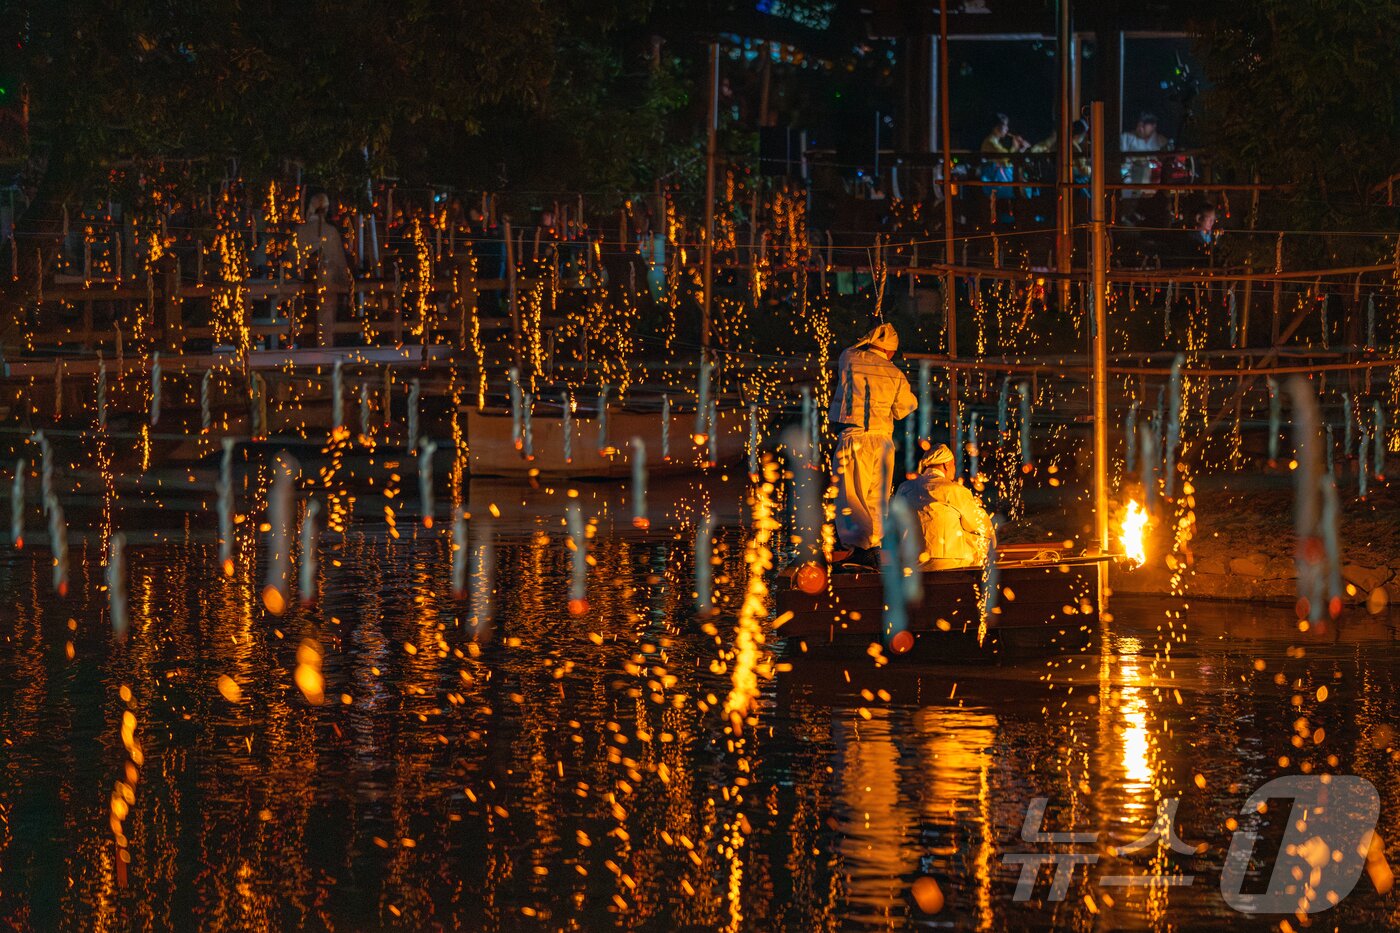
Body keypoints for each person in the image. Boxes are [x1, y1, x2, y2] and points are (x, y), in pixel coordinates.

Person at [829, 323, 918, 568]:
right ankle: (874, 548)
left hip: (855, 437)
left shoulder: (850, 357)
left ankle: (860, 549)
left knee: (851, 494)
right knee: (876, 498)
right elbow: (905, 408)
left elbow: (852, 349)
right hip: (883, 441)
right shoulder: (895, 373)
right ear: (890, 351)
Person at [894, 444, 994, 570]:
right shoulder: (954, 489)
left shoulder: (905, 488)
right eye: (953, 465)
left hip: (911, 562)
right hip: (950, 561)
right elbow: (980, 524)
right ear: (947, 465)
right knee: (980, 532)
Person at [294, 192, 352, 290]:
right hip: (328, 286)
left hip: (302, 284)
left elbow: (293, 257)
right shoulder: (331, 231)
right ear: (326, 209)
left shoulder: (300, 230)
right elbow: (339, 260)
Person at [1119, 112, 1170, 209]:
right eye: (1139, 124)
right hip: (1131, 182)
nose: (1140, 127)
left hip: (1153, 187)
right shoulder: (1126, 138)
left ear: (1153, 126)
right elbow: (1123, 165)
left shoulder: (1162, 142)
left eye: (1144, 125)